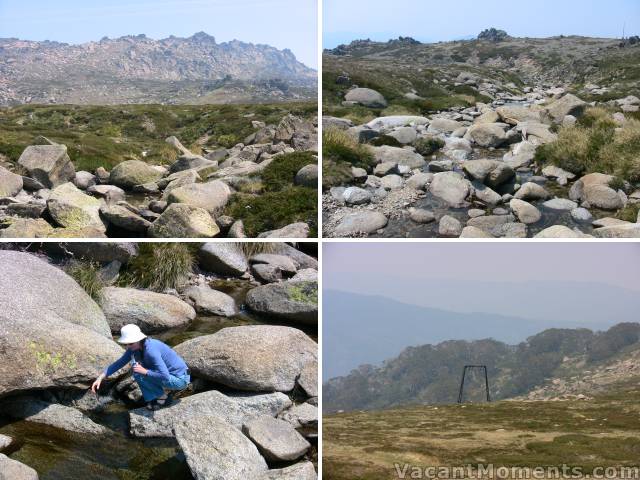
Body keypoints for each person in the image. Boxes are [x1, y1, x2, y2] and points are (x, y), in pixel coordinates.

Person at [91, 324, 190, 410]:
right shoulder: (135, 347)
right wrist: (101, 377)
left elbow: (165, 376)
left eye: (130, 343)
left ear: (139, 339)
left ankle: (162, 398)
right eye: (126, 344)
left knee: (139, 372)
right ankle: (158, 397)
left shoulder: (151, 351)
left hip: (180, 379)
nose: (128, 346)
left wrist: (145, 371)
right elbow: (119, 363)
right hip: (170, 376)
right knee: (138, 370)